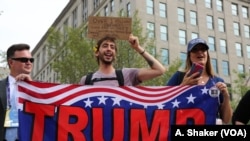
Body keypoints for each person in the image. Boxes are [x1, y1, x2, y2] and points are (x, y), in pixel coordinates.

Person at [166, 38, 232, 124]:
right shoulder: (179, 76)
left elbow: (226, 120)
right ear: (189, 56)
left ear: (207, 54)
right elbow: (165, 105)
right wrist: (183, 86)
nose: (200, 52)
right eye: (195, 49)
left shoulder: (217, 81)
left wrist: (226, 96)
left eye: (203, 49)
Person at [79, 34, 166, 86]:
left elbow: (160, 70)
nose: (109, 49)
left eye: (112, 47)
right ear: (97, 52)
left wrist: (137, 48)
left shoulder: (127, 75)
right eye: (105, 46)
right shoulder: (86, 80)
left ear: (115, 54)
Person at [0, 43, 33, 141]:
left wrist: (32, 87)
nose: (28, 62)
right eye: (24, 60)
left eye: (31, 60)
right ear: (11, 62)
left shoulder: (40, 89)